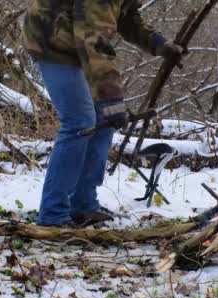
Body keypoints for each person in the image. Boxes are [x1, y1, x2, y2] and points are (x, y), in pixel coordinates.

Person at [23, 0, 184, 227]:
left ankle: (83, 204)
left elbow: (127, 17)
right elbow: (93, 43)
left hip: (76, 39)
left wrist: (158, 44)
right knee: (80, 123)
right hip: (51, 43)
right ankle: (53, 215)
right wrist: (111, 98)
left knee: (103, 119)